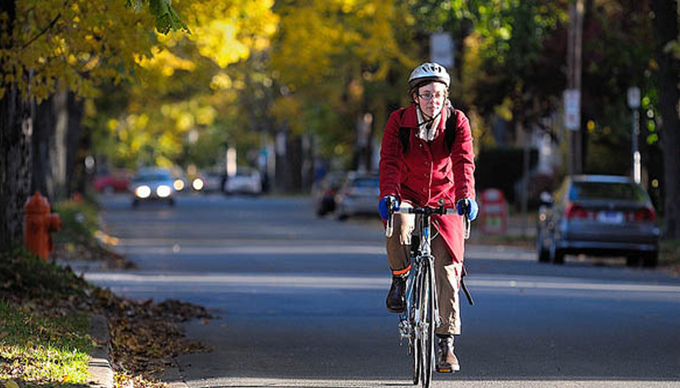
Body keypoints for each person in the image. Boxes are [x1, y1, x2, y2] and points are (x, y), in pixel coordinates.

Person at [377, 62, 478, 373]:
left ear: (445, 95)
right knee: (399, 226)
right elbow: (390, 161)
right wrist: (389, 195)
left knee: (447, 268)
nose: (433, 100)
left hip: (445, 197)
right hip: (406, 192)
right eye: (427, 94)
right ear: (415, 96)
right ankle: (399, 277)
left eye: (439, 94)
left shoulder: (456, 121)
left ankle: (446, 344)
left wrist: (467, 197)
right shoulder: (398, 121)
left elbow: (463, 161)